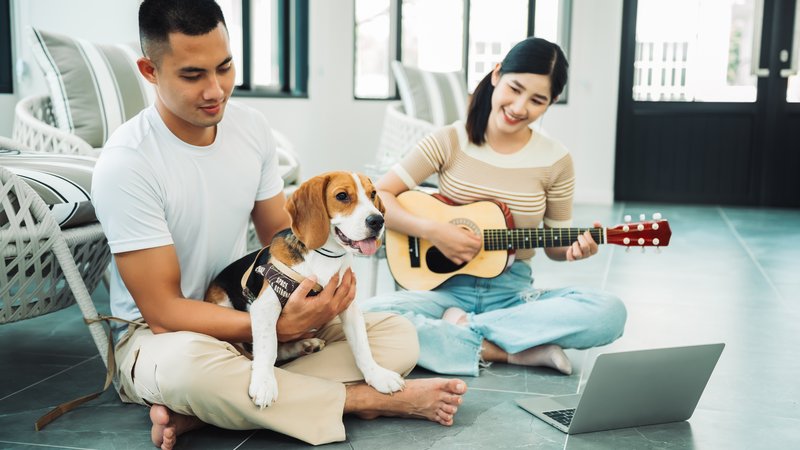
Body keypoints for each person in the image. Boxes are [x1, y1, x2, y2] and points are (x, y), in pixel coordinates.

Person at [91, 1, 465, 448]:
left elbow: (282, 241)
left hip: (256, 305)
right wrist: (275, 328)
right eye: (193, 75)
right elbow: (163, 312)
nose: (216, 90)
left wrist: (317, 298)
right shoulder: (127, 163)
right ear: (150, 71)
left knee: (398, 336)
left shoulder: (250, 128)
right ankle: (358, 400)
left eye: (225, 67)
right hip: (163, 340)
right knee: (189, 370)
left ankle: (214, 412)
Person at [360, 37, 627, 377]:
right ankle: (507, 351)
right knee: (364, 318)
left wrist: (576, 249)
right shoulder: (450, 140)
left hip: (512, 295)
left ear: (552, 102)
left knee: (608, 312)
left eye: (537, 100)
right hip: (441, 292)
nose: (519, 107)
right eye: (515, 88)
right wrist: (435, 231)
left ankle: (463, 332)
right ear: (497, 74)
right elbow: (379, 196)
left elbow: (556, 245)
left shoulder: (556, 160)